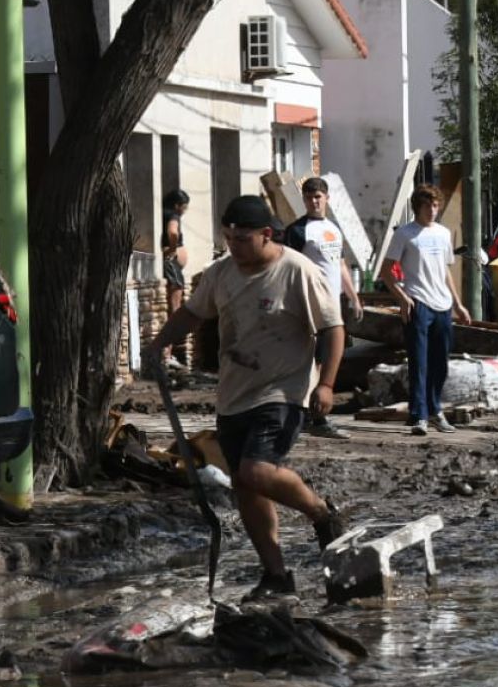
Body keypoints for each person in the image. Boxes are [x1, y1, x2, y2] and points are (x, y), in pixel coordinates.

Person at [145, 195, 348, 601]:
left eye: (242, 239)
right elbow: (192, 313)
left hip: (283, 391)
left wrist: (326, 384)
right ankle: (276, 575)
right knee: (244, 484)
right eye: (229, 238)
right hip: (234, 394)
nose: (234, 246)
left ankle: (322, 513)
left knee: (257, 471)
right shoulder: (221, 274)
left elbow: (333, 327)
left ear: (266, 234)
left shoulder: (296, 270)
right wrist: (159, 344)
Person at [380, 186, 472, 436]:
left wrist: (458, 304)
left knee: (440, 362)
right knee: (419, 361)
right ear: (417, 207)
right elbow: (386, 270)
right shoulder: (405, 234)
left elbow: (445, 270)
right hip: (418, 302)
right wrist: (402, 297)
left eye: (435, 205)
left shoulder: (443, 233)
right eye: (427, 205)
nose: (432, 210)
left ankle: (435, 410)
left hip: (442, 304)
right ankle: (418, 415)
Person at [281, 176, 362, 440]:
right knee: (310, 361)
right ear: (304, 200)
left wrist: (353, 296)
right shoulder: (297, 230)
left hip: (333, 303)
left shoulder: (333, 228)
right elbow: (288, 267)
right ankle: (311, 415)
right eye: (309, 197)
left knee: (328, 358)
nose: (314, 202)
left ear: (327, 198)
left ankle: (314, 414)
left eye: (318, 197)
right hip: (310, 302)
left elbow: (340, 263)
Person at [159, 189, 191, 370]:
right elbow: (173, 232)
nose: (185, 211)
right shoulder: (173, 216)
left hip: (171, 265)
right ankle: (166, 354)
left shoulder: (162, 213)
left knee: (173, 310)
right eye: (184, 207)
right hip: (172, 266)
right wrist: (173, 249)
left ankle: (167, 353)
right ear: (177, 205)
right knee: (175, 310)